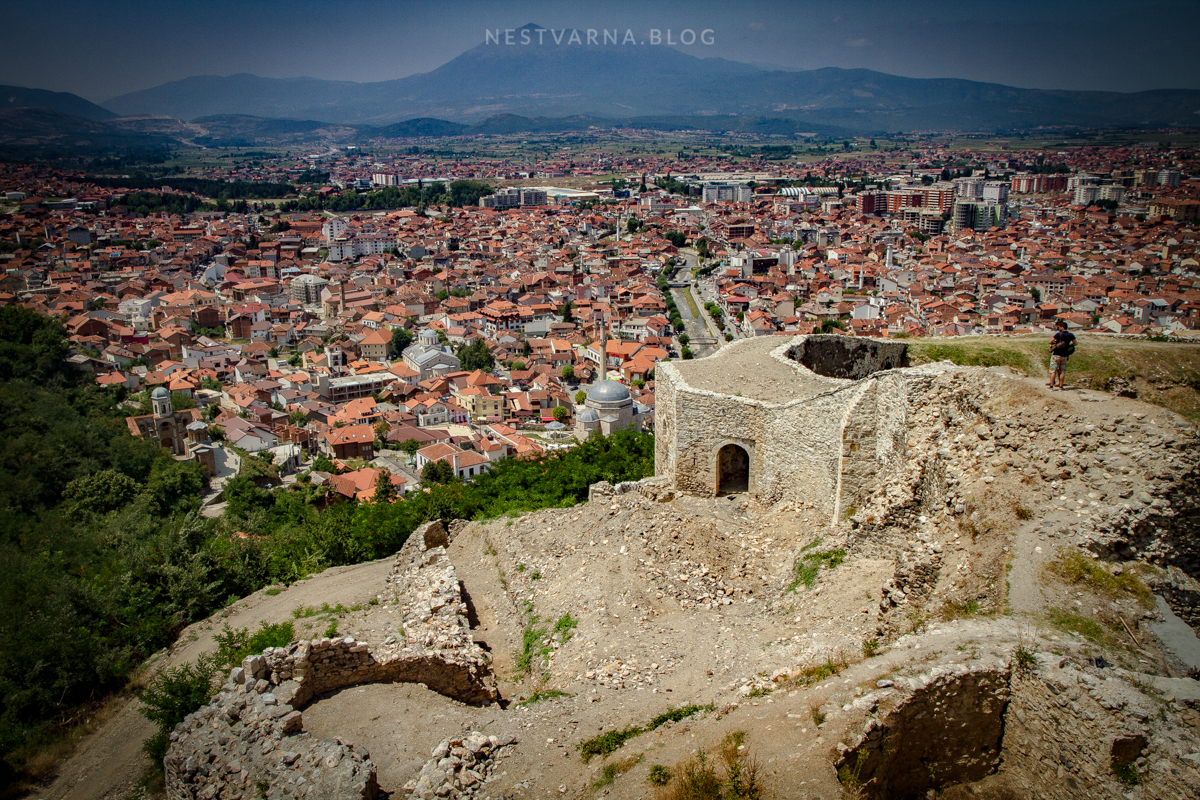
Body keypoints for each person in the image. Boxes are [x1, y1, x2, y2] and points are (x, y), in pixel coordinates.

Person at [1047, 320, 1076, 390]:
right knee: (1062, 371)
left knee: (1053, 370)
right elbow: (1075, 343)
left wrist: (1055, 343)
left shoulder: (1058, 334)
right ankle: (1061, 386)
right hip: (1064, 355)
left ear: (1062, 327)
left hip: (1056, 354)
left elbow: (1050, 342)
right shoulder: (1070, 335)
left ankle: (1051, 386)